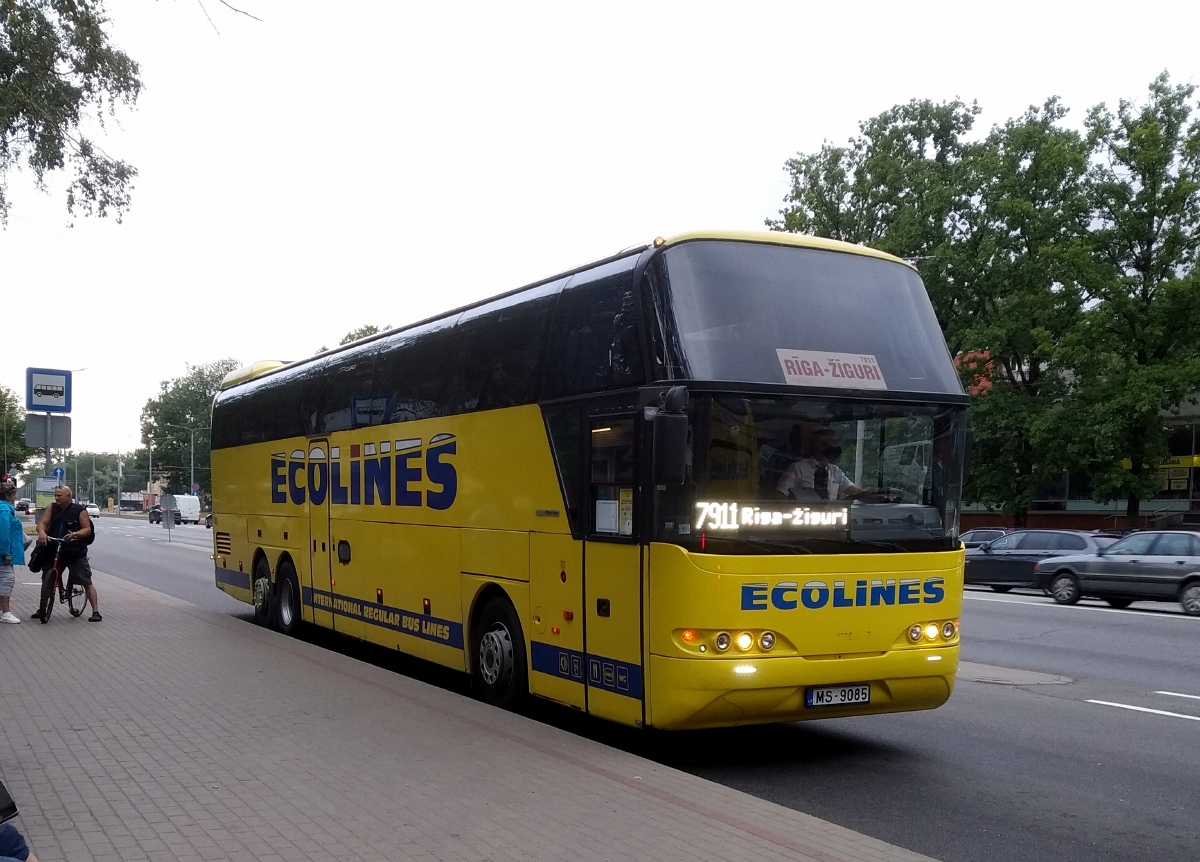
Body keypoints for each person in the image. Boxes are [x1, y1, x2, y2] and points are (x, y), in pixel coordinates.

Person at [32, 485, 100, 622]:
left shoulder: (80, 511)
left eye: (59, 495)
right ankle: (42, 609)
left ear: (69, 496)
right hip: (54, 549)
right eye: (55, 495)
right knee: (47, 578)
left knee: (86, 580)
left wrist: (76, 534)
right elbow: (42, 523)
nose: (56, 498)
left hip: (75, 551)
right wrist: (42, 532)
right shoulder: (52, 508)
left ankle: (96, 611)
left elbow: (87, 529)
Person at [776, 426, 894, 503]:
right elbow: (780, 496)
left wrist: (879, 498)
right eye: (828, 443)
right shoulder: (798, 468)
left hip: (832, 522)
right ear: (816, 445)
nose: (834, 447)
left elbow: (856, 492)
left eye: (835, 443)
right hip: (803, 522)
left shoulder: (835, 471)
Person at [0, 479, 25, 624]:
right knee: (7, 580)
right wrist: (6, 552)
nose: (15, 498)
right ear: (8, 495)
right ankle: (6, 611)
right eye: (14, 494)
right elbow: (3, 532)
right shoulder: (4, 509)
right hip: (3, 554)